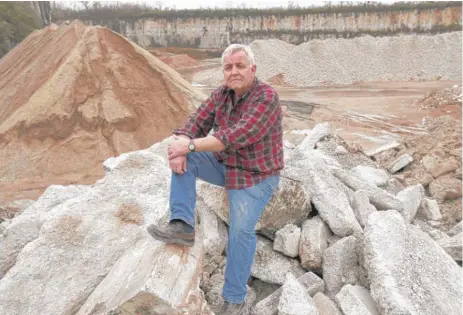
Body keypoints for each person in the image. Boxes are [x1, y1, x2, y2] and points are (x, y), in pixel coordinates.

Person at [148, 43, 283, 315]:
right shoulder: (222, 94)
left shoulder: (266, 97)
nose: (234, 72)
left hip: (255, 175)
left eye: (240, 66)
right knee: (185, 159)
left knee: (240, 231)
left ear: (252, 69)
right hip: (227, 165)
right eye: (228, 67)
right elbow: (196, 121)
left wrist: (190, 146)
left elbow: (237, 135)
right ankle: (182, 224)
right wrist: (181, 146)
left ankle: (234, 298)